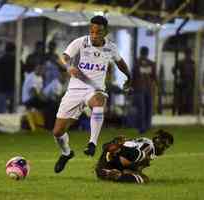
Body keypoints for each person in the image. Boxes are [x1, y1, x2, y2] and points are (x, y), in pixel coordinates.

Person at [53, 15, 132, 173]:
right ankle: (66, 153)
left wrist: (129, 76)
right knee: (57, 132)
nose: (94, 35)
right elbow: (63, 58)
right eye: (92, 32)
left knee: (99, 100)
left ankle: (92, 143)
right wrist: (69, 67)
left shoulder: (111, 47)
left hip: (94, 89)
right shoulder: (81, 42)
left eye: (99, 32)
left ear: (106, 32)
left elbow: (120, 63)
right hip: (74, 90)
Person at [95, 129, 174, 183]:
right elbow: (125, 159)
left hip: (106, 159)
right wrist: (130, 169)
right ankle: (118, 175)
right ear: (160, 142)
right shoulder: (149, 147)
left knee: (139, 164)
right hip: (116, 157)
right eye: (165, 146)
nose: (164, 149)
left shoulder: (146, 141)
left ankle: (106, 172)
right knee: (144, 178)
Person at [132, 46, 157, 134]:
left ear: (141, 52)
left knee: (141, 109)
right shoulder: (151, 63)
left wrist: (132, 88)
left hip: (139, 89)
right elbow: (154, 77)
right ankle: (148, 126)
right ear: (147, 53)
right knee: (148, 108)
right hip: (149, 88)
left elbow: (133, 76)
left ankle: (142, 127)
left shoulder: (136, 63)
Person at [0, 42, 16, 113]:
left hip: (1, 86)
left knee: (2, 109)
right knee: (12, 109)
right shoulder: (15, 60)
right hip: (11, 86)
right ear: (13, 50)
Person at [172, 48, 195, 114]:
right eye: (188, 53)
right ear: (185, 54)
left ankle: (186, 112)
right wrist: (178, 77)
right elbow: (174, 70)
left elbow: (174, 70)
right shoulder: (182, 62)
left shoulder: (192, 62)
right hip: (184, 83)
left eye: (189, 53)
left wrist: (177, 77)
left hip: (189, 83)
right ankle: (182, 112)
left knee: (188, 99)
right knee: (183, 99)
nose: (189, 55)